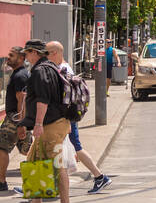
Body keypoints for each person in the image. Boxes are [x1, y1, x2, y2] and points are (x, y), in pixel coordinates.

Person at [45, 41, 111, 194]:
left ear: (55, 53)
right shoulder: (62, 67)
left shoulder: (62, 69)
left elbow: (66, 96)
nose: (45, 57)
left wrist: (65, 120)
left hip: (66, 116)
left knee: (75, 146)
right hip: (65, 116)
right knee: (63, 148)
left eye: (47, 53)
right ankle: (47, 184)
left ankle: (100, 176)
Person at [20, 40, 75, 203]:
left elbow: (42, 100)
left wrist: (37, 124)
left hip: (50, 125)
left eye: (27, 53)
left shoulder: (39, 71)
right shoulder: (51, 66)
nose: (26, 57)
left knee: (58, 165)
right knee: (34, 159)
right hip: (55, 123)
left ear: (35, 52)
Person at [0, 46, 33, 193]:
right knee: (27, 151)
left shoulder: (20, 76)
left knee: (2, 147)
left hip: (14, 119)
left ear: (21, 58)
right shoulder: (20, 74)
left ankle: (1, 182)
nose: (8, 57)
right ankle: (37, 178)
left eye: (12, 55)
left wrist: (21, 123)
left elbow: (22, 100)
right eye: (9, 55)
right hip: (19, 118)